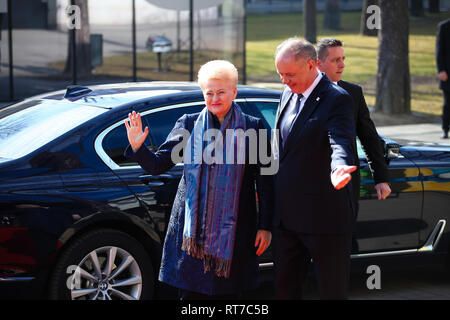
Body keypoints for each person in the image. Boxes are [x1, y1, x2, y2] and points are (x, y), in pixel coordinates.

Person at [124, 60, 273, 299]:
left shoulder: (254, 128)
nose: (215, 98)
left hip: (236, 230)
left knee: (230, 294)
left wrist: (266, 227)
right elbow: (158, 165)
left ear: (234, 92)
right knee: (193, 296)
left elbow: (267, 181)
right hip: (193, 231)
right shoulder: (189, 124)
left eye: (221, 92)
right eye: (209, 93)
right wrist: (138, 147)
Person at [273, 38, 356, 300]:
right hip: (286, 219)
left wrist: (339, 167)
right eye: (280, 75)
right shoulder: (288, 92)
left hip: (324, 217)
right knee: (285, 291)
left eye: (289, 74)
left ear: (311, 65)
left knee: (331, 292)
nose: (284, 81)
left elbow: (340, 140)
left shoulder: (337, 99)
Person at [316, 38, 391, 217]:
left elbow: (369, 137)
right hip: (313, 184)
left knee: (346, 240)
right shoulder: (304, 92)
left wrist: (381, 178)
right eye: (335, 60)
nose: (342, 65)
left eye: (343, 59)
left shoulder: (353, 93)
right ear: (319, 64)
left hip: (347, 184)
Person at [436, 18, 450, 139]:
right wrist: (441, 70)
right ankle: (445, 129)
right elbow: (439, 51)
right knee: (448, 103)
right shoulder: (444, 27)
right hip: (447, 74)